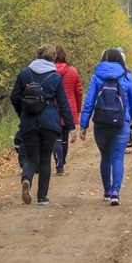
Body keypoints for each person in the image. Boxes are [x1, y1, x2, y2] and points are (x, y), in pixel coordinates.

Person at [10, 44, 74, 205]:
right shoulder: (55, 77)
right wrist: (71, 126)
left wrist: (23, 113)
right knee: (45, 159)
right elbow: (63, 103)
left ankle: (26, 180)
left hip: (29, 122)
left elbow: (14, 97)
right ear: (53, 58)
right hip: (49, 122)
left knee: (31, 158)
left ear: (38, 55)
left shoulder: (24, 73)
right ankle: (42, 197)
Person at [79, 48, 132, 206]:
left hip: (100, 123)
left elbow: (89, 102)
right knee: (118, 158)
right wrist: (129, 118)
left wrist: (83, 125)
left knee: (105, 157)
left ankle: (106, 191)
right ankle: (115, 192)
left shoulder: (97, 76)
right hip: (121, 122)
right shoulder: (127, 75)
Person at [53, 45, 83, 175]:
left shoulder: (49, 71)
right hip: (68, 107)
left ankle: (58, 163)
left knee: (55, 138)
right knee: (64, 137)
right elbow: (79, 92)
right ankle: (61, 164)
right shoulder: (73, 71)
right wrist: (78, 108)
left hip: (52, 107)